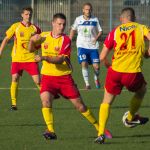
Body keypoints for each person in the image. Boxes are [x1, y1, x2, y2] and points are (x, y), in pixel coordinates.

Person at [28, 13, 112, 140]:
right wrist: (32, 41)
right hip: (48, 77)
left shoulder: (65, 40)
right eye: (59, 24)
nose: (62, 27)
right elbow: (30, 49)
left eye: (64, 24)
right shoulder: (44, 36)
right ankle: (51, 130)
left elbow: (60, 59)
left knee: (80, 106)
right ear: (53, 23)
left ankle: (99, 127)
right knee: (45, 100)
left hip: (64, 78)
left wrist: (44, 57)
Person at [95, 7, 150, 144]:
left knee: (106, 102)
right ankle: (131, 117)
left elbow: (102, 57)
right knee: (142, 90)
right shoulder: (142, 28)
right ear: (134, 18)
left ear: (121, 19)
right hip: (132, 73)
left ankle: (101, 133)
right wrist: (148, 52)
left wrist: (109, 66)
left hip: (115, 72)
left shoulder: (115, 32)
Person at [0, 7, 41, 110]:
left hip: (31, 58)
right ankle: (14, 104)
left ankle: (46, 98)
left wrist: (40, 54)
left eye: (30, 14)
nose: (28, 16)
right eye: (26, 14)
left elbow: (40, 43)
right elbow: (5, 39)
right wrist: (0, 51)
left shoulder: (35, 29)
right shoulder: (16, 26)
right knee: (15, 78)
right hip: (17, 58)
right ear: (22, 15)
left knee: (38, 81)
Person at [69, 2, 102, 90]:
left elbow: (100, 31)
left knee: (96, 66)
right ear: (83, 10)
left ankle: (96, 79)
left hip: (93, 46)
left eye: (89, 9)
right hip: (82, 45)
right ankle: (87, 84)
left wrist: (96, 38)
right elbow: (73, 29)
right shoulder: (78, 19)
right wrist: (69, 41)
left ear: (91, 10)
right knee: (84, 63)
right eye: (86, 9)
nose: (88, 11)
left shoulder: (95, 19)